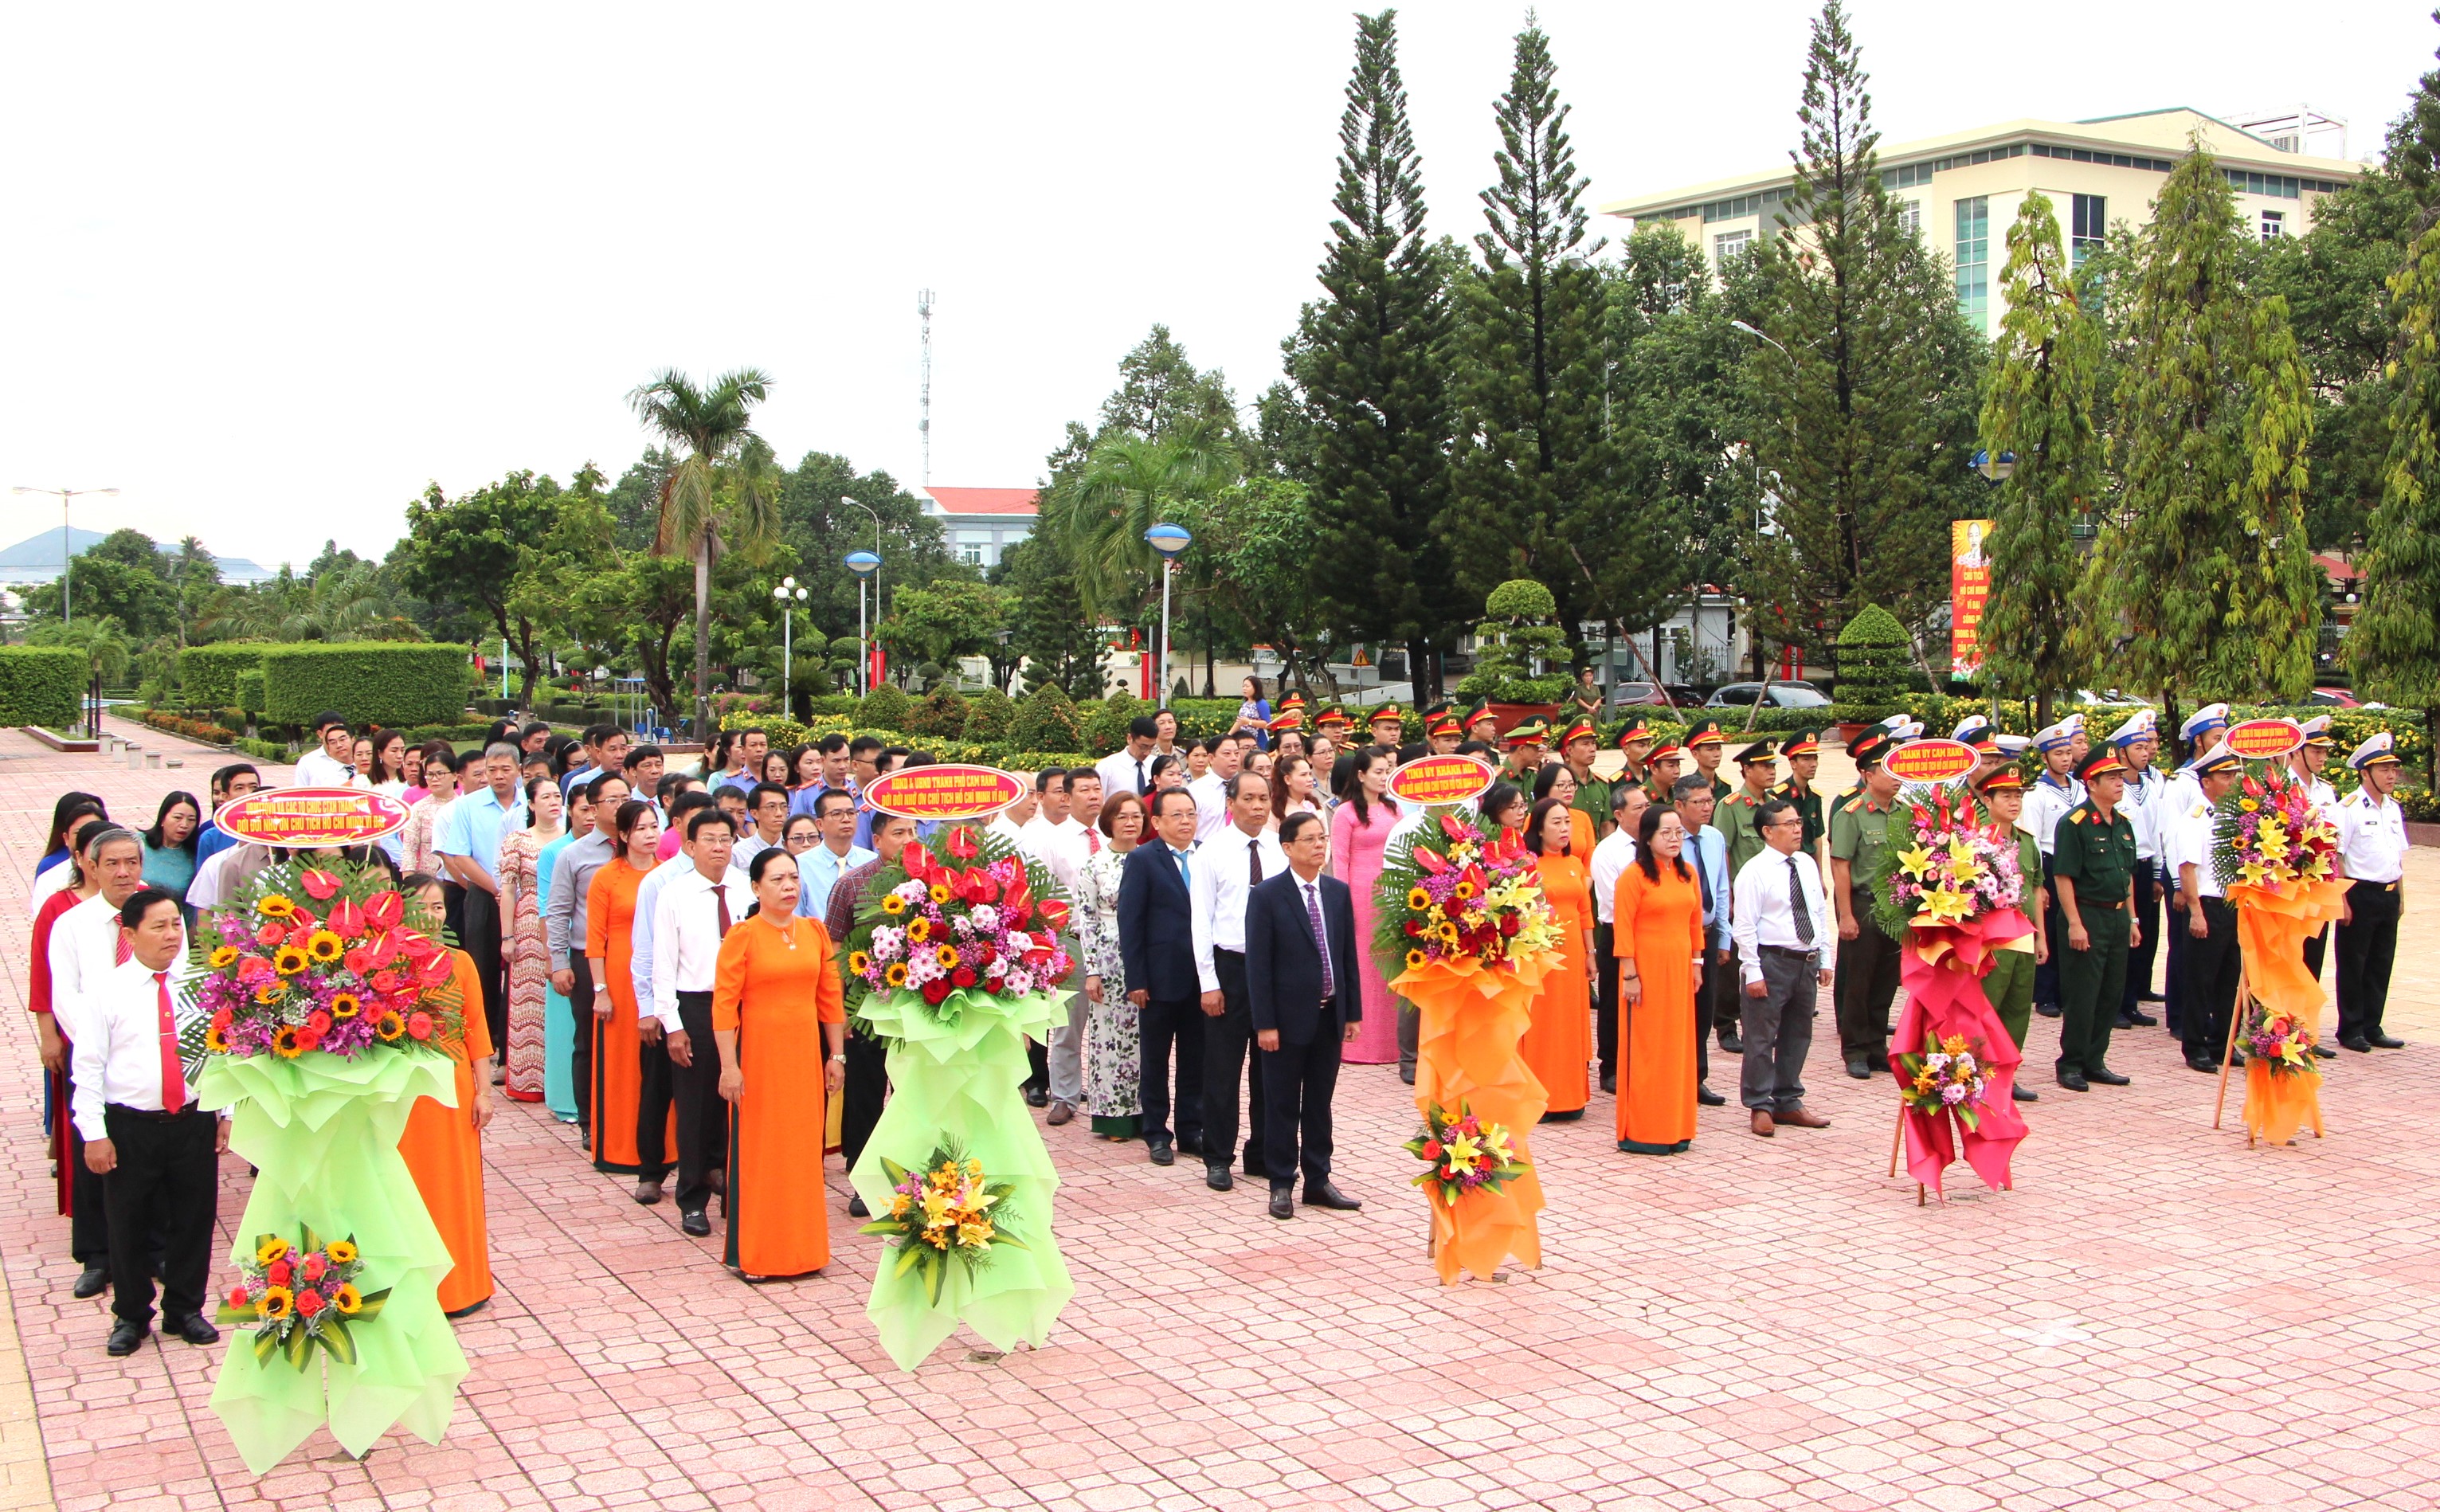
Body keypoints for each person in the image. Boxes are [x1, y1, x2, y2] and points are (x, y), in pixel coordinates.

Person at [75, 888, 229, 1356]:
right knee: (128, 1222)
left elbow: (220, 1054)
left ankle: (185, 1309)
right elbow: (88, 1068)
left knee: (194, 1219)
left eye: (176, 924)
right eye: (158, 926)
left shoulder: (200, 983)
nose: (171, 934)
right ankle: (131, 1315)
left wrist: (225, 1113)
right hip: (131, 1125)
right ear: (130, 932)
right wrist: (95, 1135)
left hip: (192, 1120)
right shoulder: (107, 990)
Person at [713, 848, 846, 1280]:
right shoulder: (743, 935)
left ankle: (805, 1250)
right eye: (777, 880)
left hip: (804, 1055)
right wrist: (729, 1067)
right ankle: (758, 1254)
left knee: (803, 1151)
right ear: (756, 888)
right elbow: (724, 1006)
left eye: (793, 878)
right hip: (759, 1057)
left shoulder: (813, 932)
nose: (789, 887)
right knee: (762, 1152)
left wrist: (835, 1054)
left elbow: (829, 997)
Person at [49, 825, 152, 1298]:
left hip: (147, 1056)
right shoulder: (71, 923)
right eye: (111, 863)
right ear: (91, 867)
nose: (123, 871)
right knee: (95, 1150)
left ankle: (155, 1251)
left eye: (131, 862)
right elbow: (63, 992)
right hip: (91, 1057)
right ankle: (96, 1256)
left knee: (148, 1157)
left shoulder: (160, 914)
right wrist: (96, 1042)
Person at [1243, 810, 1362, 1220]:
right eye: (1310, 839)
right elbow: (1258, 966)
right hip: (1285, 1020)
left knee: (1319, 1102)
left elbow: (1346, 955)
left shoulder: (1337, 891)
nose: (1319, 845)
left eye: (1322, 838)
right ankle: (1280, 1183)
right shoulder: (1266, 895)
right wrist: (1265, 1023)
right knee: (1280, 1103)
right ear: (1288, 847)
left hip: (1329, 1016)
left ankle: (1318, 1179)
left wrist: (1352, 1012)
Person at [396, 874, 495, 1317]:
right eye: (423, 906)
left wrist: (484, 1091)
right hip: (404, 1089)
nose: (433, 916)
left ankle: (462, 1284)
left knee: (454, 1186)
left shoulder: (460, 963)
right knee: (409, 1185)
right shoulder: (384, 965)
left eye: (439, 907)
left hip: (452, 1085)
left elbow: (476, 1027)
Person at [646, 809, 746, 1237]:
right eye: (709, 839)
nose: (719, 847)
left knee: (739, 1101)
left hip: (744, 1006)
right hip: (696, 1005)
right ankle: (692, 1198)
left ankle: (733, 1187)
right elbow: (663, 964)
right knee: (695, 1106)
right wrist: (673, 1024)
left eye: (726, 838)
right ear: (689, 846)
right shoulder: (675, 893)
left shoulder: (747, 888)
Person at [824, 810, 922, 1217]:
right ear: (877, 840)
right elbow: (832, 948)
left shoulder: (929, 881)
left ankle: (914, 1176)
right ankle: (863, 1178)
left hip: (917, 1003)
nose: (907, 838)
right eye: (898, 832)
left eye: (913, 831)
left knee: (912, 1092)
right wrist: (839, 1011)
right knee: (866, 1094)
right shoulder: (851, 883)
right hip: (865, 1008)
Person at [1190, 773, 1285, 1192]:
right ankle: (1217, 1157)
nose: (1258, 806)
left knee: (1271, 1068)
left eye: (1264, 798)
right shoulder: (1211, 852)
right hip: (1229, 968)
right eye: (1249, 798)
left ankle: (1262, 1153)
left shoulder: (1281, 849)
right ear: (1232, 803)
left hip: (1273, 971)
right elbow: (1200, 922)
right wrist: (1208, 982)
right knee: (1223, 1070)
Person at [1729, 798, 1834, 1138]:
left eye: (1798, 822)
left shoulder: (1804, 863)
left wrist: (1825, 958)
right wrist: (1753, 971)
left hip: (1804, 960)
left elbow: (1817, 912)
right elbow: (1744, 926)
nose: (1797, 829)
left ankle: (1788, 1100)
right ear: (1768, 831)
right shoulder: (1755, 871)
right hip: (1770, 960)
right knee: (1761, 1037)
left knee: (1797, 1034)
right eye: (1788, 824)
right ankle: (1760, 1104)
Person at [1118, 788, 1206, 1168]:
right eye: (1177, 815)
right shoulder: (1142, 859)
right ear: (1156, 822)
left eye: (1191, 814)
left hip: (1202, 978)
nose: (1186, 821)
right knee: (1154, 1059)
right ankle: (1157, 1132)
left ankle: (1191, 1129)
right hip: (1157, 979)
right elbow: (1130, 922)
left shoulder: (1207, 854)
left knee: (1196, 1058)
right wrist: (1136, 979)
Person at [1612, 802, 1705, 1153]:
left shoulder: (1687, 873)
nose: (1674, 839)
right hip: (1646, 971)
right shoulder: (1633, 876)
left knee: (1678, 1047)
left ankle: (1677, 1126)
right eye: (1665, 832)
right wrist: (1630, 974)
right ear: (1648, 838)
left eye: (1678, 832)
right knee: (1648, 1047)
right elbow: (1622, 928)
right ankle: (1643, 1129)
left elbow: (1695, 922)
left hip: (1680, 969)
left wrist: (1697, 964)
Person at [2050, 746, 2142, 1093]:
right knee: (2083, 993)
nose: (2120, 783)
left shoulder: (2123, 824)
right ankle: (2071, 1063)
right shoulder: (2074, 824)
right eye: (2112, 778)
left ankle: (2095, 1059)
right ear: (2091, 783)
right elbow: (2063, 877)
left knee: (2110, 992)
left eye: (2120, 777)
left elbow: (2127, 875)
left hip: (2117, 917)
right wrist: (2074, 922)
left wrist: (2132, 920)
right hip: (2086, 914)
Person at [586, 801, 668, 1190]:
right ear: (623, 835)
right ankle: (619, 1148)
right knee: (622, 1065)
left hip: (660, 977)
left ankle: (666, 1148)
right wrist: (601, 989)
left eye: (655, 827)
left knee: (658, 1066)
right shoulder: (607, 878)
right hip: (619, 978)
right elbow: (594, 940)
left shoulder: (668, 875)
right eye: (641, 829)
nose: (650, 835)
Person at [548, 772, 629, 1140]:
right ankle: (589, 1120)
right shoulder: (574, 855)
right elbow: (559, 911)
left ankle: (626, 1115)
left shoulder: (644, 852)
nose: (621, 805)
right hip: (586, 957)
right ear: (593, 809)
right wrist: (560, 963)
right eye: (612, 799)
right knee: (589, 1040)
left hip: (632, 959)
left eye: (625, 797)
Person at [435, 742, 527, 1060]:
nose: (498, 776)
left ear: (519, 770)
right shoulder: (468, 806)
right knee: (482, 968)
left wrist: (515, 890)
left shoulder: (532, 800)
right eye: (491, 770)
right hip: (484, 893)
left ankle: (516, 1041)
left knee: (523, 969)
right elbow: (460, 854)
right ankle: (485, 1042)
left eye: (505, 770)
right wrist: (498, 889)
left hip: (528, 895)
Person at [1072, 791, 1148, 1140]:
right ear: (1109, 822)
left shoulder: (1151, 860)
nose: (1131, 823)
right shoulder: (1095, 865)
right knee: (1110, 1038)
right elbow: (1086, 920)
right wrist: (1092, 970)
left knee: (1144, 1038)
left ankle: (1149, 1112)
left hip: (1146, 956)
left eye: (1136, 816)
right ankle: (1113, 1116)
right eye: (1123, 817)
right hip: (1108, 957)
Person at [1830, 732, 1903, 1080]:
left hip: (1896, 908)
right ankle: (1855, 1049)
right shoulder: (1852, 813)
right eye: (1888, 770)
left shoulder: (1905, 812)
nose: (1896, 778)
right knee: (1858, 981)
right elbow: (1841, 865)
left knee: (1886, 981)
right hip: (1864, 903)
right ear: (1868, 775)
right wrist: (1846, 914)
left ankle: (1876, 1045)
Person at [2170, 744, 2245, 1074]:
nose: (2231, 782)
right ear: (2206, 781)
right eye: (2224, 776)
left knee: (2230, 979)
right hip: (2207, 905)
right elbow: (2188, 868)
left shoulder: (2234, 814)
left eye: (2233, 775)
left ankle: (2222, 1042)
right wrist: (2196, 911)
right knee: (2201, 979)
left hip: (2233, 904)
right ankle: (2196, 1045)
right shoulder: (2195, 817)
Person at [2334, 731, 2411, 1053]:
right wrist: (2341, 900)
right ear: (2365, 773)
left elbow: (2398, 855)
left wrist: (2401, 895)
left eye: (2393, 769)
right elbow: (2335, 855)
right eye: (2383, 770)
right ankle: (2350, 1028)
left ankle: (2372, 1024)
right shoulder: (2348, 807)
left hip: (2388, 893)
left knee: (2381, 961)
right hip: (2359, 893)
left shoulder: (2392, 808)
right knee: (2354, 962)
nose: (2391, 775)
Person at [1519, 798, 1595, 1121]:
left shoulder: (1575, 864)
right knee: (1542, 1026)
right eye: (1557, 823)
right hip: (1540, 954)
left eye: (1568, 822)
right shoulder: (1525, 864)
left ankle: (1571, 1096)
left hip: (1574, 954)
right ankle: (1539, 1096)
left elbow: (1584, 912)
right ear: (1538, 828)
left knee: (1571, 1023)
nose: (1565, 829)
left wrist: (1591, 954)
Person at [1972, 767, 2046, 1100]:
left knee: (2017, 1009)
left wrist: (2041, 936)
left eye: (2018, 795)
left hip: (2024, 937)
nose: (2014, 802)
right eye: (2006, 796)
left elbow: (2036, 890)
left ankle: (2006, 1075)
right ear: (1987, 800)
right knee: (1986, 1008)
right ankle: (1976, 1073)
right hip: (1991, 942)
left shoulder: (2026, 842)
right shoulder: (1975, 842)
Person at [1327, 748, 1401, 1067]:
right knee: (1361, 966)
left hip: (1393, 894)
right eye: (1378, 772)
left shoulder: (1394, 808)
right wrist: (1342, 903)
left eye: (1387, 771)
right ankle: (1358, 1044)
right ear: (1360, 775)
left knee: (1390, 964)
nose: (1384, 777)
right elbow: (1339, 860)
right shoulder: (1346, 813)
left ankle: (1393, 1043)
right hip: (1359, 893)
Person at [496, 775, 564, 1103]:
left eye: (557, 796)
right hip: (526, 925)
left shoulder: (570, 839)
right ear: (532, 803)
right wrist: (507, 935)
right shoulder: (517, 841)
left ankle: (560, 1077)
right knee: (529, 1002)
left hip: (561, 921)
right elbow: (508, 890)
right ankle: (529, 1080)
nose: (554, 802)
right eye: (547, 796)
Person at [536, 778, 593, 1123]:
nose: (589, 815)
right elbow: (548, 908)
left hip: (597, 954)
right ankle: (566, 1099)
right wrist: (552, 957)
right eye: (583, 808)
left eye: (593, 808)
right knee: (568, 1030)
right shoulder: (557, 852)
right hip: (566, 950)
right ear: (570, 811)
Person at [1674, 776, 1733, 1106]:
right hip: (1678, 936)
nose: (1708, 807)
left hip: (1708, 934)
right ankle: (1675, 1077)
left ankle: (1697, 1077)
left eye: (1710, 800)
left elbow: (1721, 889)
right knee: (1676, 1008)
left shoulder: (1714, 838)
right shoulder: (1668, 841)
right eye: (1699, 802)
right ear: (1679, 806)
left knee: (1704, 1009)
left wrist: (1724, 937)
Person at [1589, 783, 1651, 1095]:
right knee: (1614, 1003)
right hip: (1618, 933)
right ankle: (1610, 1066)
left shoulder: (1655, 844)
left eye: (1646, 805)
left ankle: (1643, 1061)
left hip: (1653, 934)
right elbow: (1619, 902)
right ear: (1618, 814)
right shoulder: (1609, 851)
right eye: (1637, 808)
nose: (1645, 812)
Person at [796, 789, 875, 921]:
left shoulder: (872, 862)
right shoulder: (801, 865)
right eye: (837, 814)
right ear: (820, 824)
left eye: (851, 813)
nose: (846, 819)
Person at [400, 746, 458, 881]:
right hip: (426, 880)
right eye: (430, 775)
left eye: (440, 773)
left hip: (458, 880)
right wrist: (409, 884)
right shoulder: (418, 809)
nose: (435, 779)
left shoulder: (463, 807)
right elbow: (409, 849)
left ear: (455, 776)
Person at [139, 791, 201, 904]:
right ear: (162, 818)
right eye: (178, 817)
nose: (184, 825)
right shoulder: (138, 843)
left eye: (191, 820)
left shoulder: (194, 857)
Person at [1530, 764, 1599, 862]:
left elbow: (1590, 858)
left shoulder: (1583, 817)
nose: (1568, 790)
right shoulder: (1535, 817)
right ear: (1546, 787)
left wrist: (1585, 877)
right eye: (1561, 785)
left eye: (1571, 785)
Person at [292, 711, 364, 787]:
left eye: (342, 738)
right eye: (330, 731)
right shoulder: (308, 762)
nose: (339, 745)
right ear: (320, 734)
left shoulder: (364, 758)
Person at [1098, 715, 1161, 799]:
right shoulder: (1108, 767)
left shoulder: (1156, 765)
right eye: (1143, 747)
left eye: (1152, 747)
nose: (1147, 753)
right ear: (1129, 738)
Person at [734, 782, 789, 871]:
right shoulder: (738, 852)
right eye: (771, 807)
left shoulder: (794, 847)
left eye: (784, 806)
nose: (779, 813)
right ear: (754, 813)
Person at [1682, 718, 1732, 802]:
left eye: (1718, 748)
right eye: (1710, 749)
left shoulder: (1725, 787)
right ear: (1695, 754)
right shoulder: (1687, 788)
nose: (1717, 754)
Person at [1232, 675, 1273, 751]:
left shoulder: (1261, 703)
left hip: (1259, 741)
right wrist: (1229, 736)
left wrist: (1249, 722)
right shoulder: (1245, 703)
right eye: (1243, 686)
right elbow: (1239, 721)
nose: (1244, 689)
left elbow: (1268, 724)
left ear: (1255, 688)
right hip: (1244, 741)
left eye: (1247, 686)